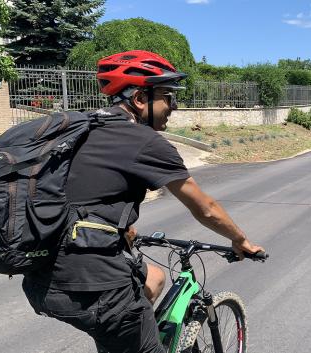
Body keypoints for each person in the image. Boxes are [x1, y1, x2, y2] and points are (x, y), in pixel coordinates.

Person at [21, 50, 264, 353]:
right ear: (139, 98)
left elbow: (84, 195)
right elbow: (206, 209)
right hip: (92, 288)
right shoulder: (146, 143)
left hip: (40, 279)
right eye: (168, 97)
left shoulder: (82, 131)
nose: (173, 107)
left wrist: (122, 231)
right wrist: (240, 240)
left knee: (155, 278)